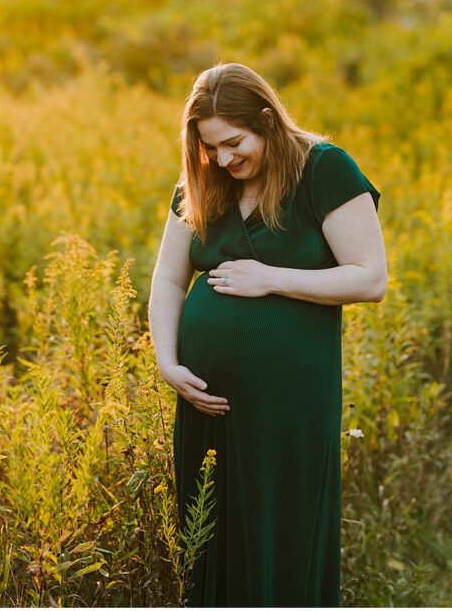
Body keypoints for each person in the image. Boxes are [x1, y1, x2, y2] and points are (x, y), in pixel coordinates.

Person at [148, 63, 386, 606]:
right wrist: (167, 361)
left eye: (235, 143)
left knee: (281, 529)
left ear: (267, 120)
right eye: (211, 148)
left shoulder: (324, 169)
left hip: (289, 405)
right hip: (204, 403)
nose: (225, 159)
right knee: (206, 533)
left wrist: (271, 279)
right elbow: (167, 279)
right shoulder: (204, 180)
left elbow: (370, 278)